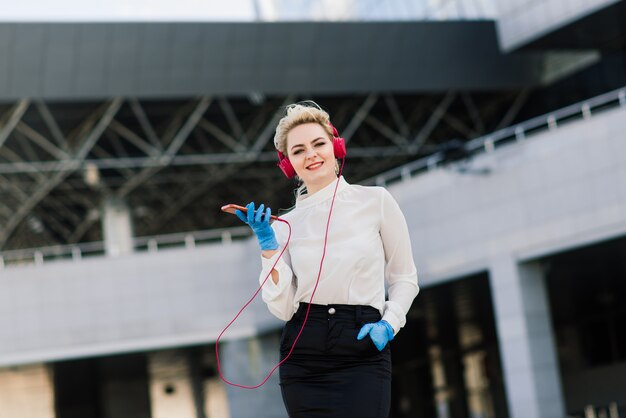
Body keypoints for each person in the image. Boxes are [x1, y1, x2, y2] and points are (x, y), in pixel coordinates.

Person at [236, 101, 419, 418]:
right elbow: (282, 308)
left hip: (362, 343)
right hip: (304, 352)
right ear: (288, 164)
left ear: (336, 147)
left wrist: (390, 323)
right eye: (299, 150)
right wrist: (268, 247)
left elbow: (404, 278)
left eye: (318, 144)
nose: (311, 155)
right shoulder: (284, 226)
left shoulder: (375, 201)